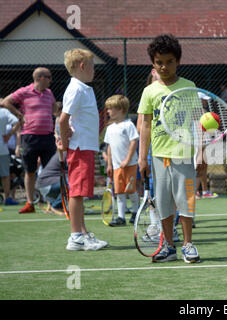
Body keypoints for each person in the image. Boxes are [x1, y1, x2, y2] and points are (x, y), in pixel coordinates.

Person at [138, 34, 200, 263]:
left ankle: (188, 244)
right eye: (159, 62)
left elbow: (197, 121)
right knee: (163, 202)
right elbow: (145, 125)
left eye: (169, 61)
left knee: (186, 200)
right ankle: (169, 246)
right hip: (159, 157)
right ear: (153, 64)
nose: (164, 66)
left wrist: (201, 153)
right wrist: (142, 157)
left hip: (184, 154)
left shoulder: (189, 87)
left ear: (178, 61)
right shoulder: (149, 92)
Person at [60, 48, 108, 251]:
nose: (94, 70)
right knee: (77, 193)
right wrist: (64, 142)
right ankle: (76, 237)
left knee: (79, 192)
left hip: (86, 147)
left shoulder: (83, 88)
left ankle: (83, 233)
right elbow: (63, 120)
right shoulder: (76, 89)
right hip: (79, 148)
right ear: (82, 66)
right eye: (92, 66)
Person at [1, 67, 58, 213]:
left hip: (48, 137)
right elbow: (6, 101)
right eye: (49, 77)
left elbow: (52, 108)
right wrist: (19, 114)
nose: (51, 80)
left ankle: (52, 203)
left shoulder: (49, 93)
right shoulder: (24, 91)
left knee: (50, 171)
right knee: (30, 171)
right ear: (40, 78)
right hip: (30, 137)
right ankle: (30, 203)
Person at [104, 95, 140, 226]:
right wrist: (109, 164)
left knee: (130, 189)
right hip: (116, 166)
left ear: (120, 109)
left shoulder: (128, 125)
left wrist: (127, 159)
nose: (108, 111)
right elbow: (109, 147)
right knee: (119, 191)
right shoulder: (110, 128)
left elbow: (133, 142)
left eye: (110, 109)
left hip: (129, 164)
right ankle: (121, 217)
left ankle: (136, 212)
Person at [0, 106, 21, 205]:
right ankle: (7, 198)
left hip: (3, 148)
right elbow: (17, 123)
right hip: (2, 148)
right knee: (5, 174)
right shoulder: (4, 111)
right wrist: (9, 135)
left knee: (5, 174)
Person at [35, 151, 65, 215]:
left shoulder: (63, 153)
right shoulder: (65, 154)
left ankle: (52, 204)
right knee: (73, 183)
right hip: (47, 185)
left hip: (47, 185)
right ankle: (56, 207)